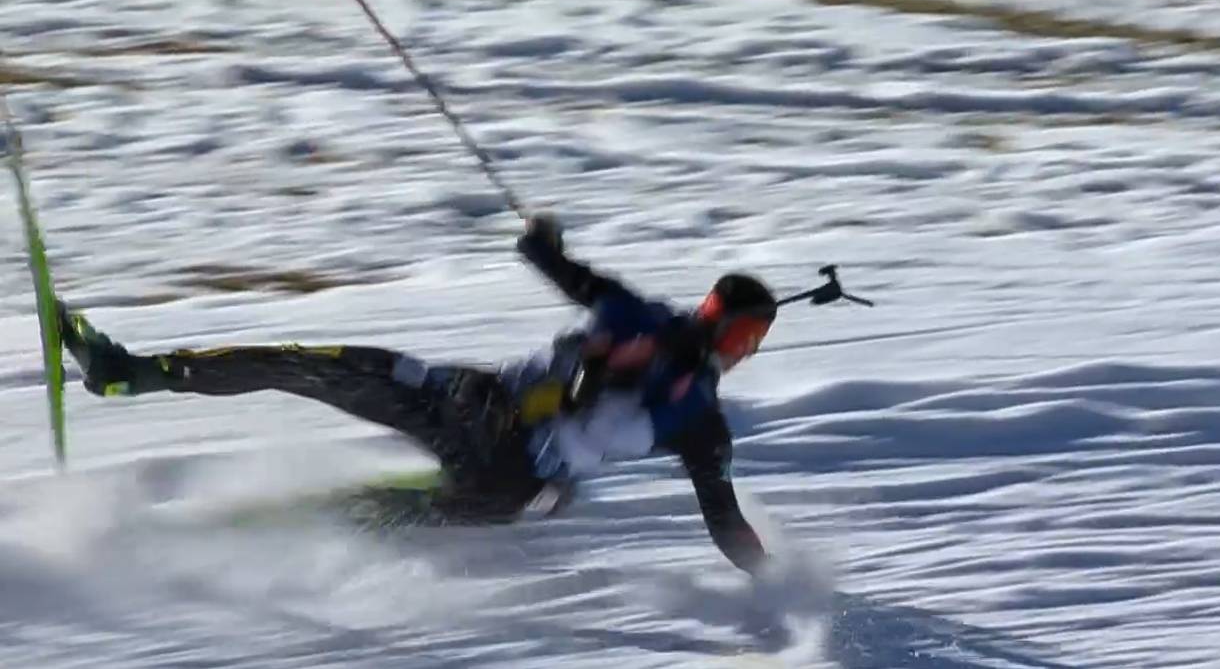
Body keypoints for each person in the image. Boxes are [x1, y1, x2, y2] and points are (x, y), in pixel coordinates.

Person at [57, 215, 778, 573]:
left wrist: (546, 251)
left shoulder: (680, 388)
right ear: (737, 336)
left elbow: (577, 284)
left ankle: (140, 403)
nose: (743, 352)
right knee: (316, 383)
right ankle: (132, 380)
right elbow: (726, 526)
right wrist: (546, 251)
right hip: (485, 442)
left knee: (310, 376)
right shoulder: (693, 407)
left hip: (494, 451)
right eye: (748, 341)